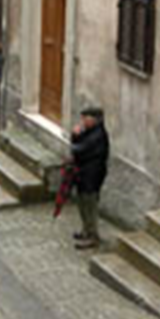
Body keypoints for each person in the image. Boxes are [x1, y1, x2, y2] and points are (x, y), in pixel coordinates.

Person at [69, 107, 110, 250]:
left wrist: (73, 143)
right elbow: (78, 144)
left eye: (85, 118)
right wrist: (75, 136)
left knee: (90, 205)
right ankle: (86, 230)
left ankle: (93, 236)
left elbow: (81, 150)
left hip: (92, 176)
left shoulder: (98, 135)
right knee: (82, 203)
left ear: (94, 119)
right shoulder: (89, 131)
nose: (83, 122)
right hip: (83, 174)